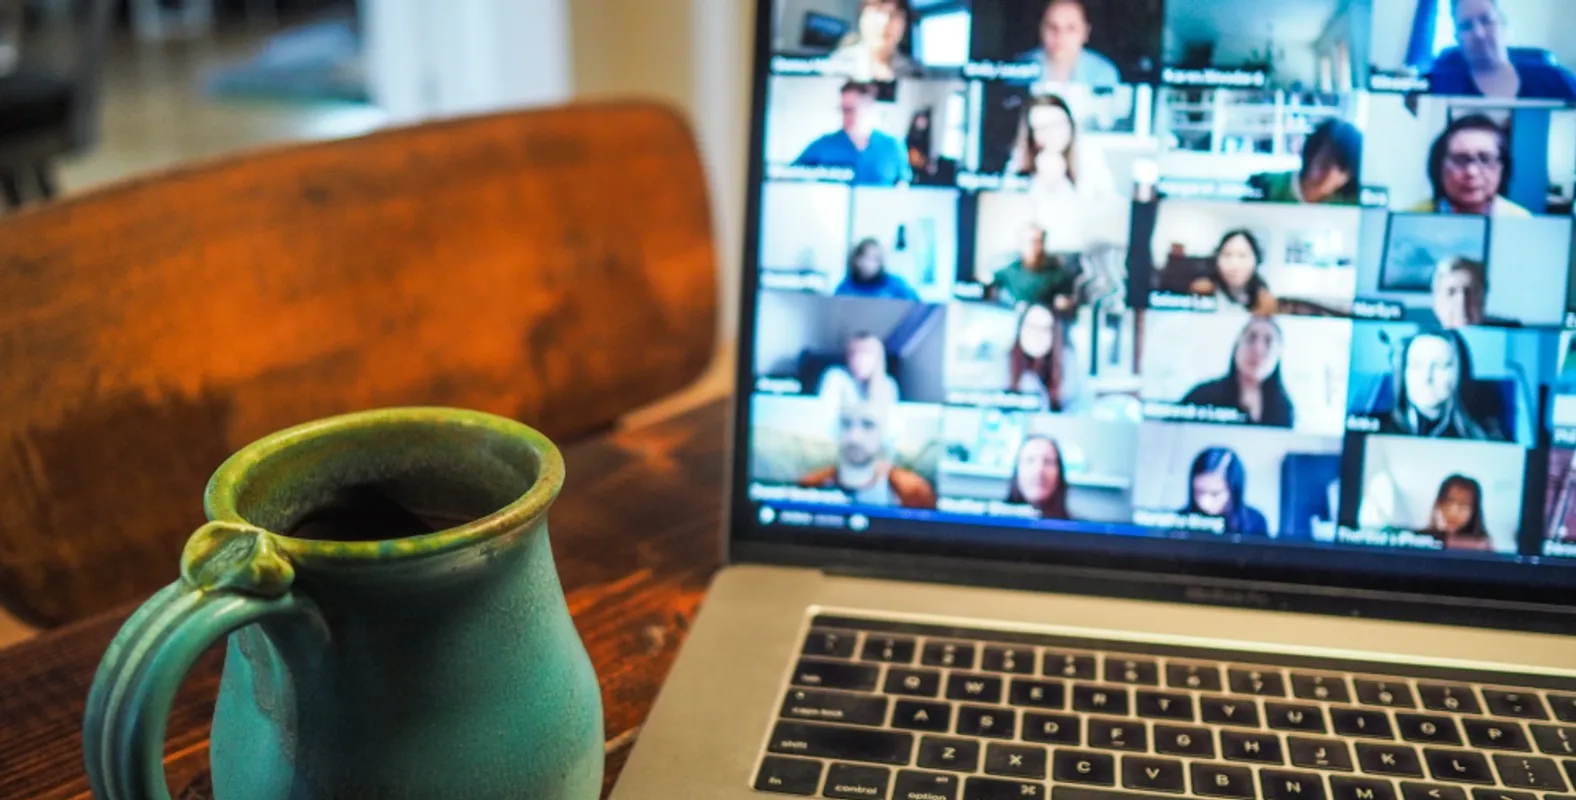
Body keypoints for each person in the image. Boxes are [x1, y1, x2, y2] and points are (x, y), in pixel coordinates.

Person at [1006, 93, 1118, 250]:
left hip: (1083, 249)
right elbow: (1018, 223)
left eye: (1058, 124)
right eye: (1043, 128)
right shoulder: (1019, 163)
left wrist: (1061, 184)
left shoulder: (1090, 155)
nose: (1052, 133)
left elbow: (1106, 214)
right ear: (1032, 133)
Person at [798, 400, 936, 509]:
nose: (854, 437)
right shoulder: (811, 485)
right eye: (846, 424)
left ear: (886, 433)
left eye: (868, 425)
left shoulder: (914, 492)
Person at [1427, 0, 1576, 101]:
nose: (1479, 33)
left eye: (1486, 20)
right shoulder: (1440, 86)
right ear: (1457, 38)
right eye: (1466, 26)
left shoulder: (1553, 79)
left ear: (1503, 25)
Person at [1379, 329, 1507, 441]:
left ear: (1459, 373)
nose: (1426, 377)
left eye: (1440, 366)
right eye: (1416, 366)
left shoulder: (1485, 436)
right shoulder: (1378, 429)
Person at [1180, 317, 1296, 428]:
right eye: (1251, 339)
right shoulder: (1201, 397)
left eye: (1268, 342)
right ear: (1237, 346)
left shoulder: (1284, 408)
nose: (1258, 349)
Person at [793, 81, 912, 186]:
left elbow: (902, 187)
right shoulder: (823, 146)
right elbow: (792, 177)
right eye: (843, 110)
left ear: (868, 107)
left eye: (851, 110)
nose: (846, 116)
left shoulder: (892, 146)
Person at [1410, 115, 1530, 216]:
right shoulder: (1412, 217)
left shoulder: (1520, 220)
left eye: (1485, 159)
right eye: (1460, 160)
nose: (1471, 172)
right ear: (1439, 166)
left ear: (1503, 168)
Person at [1247, 119, 1363, 205]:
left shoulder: (1350, 206)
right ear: (1312, 153)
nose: (1330, 172)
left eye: (1341, 168)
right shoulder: (1267, 187)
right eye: (1326, 160)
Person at [1014, 0, 1120, 88]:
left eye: (1071, 28)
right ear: (1041, 30)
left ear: (1085, 32)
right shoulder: (1018, 69)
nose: (1060, 36)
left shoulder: (1103, 73)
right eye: (1052, 27)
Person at [1180, 447, 1270, 536]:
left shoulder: (1254, 521)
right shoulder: (1180, 520)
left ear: (1233, 491)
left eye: (1215, 493)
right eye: (1198, 492)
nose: (1205, 502)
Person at [826, 0, 922, 82]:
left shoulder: (916, 74)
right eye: (877, 11)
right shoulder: (832, 69)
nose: (885, 22)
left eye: (894, 14)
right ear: (861, 18)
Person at [988, 223, 1079, 309]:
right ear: (1021, 244)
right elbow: (987, 284)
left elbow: (1068, 300)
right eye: (1030, 242)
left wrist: (1064, 303)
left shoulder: (1057, 275)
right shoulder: (1009, 271)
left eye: (1039, 241)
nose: (1035, 247)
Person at [1186, 229, 1277, 315]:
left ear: (1256, 260)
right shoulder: (1203, 288)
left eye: (1242, 256)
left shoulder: (1263, 298)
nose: (1234, 264)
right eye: (1227, 255)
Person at [1430, 256, 1522, 329]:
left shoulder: (1513, 335)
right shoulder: (1422, 342)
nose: (1461, 302)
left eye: (1470, 292)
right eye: (1451, 292)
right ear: (1436, 302)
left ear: (1484, 298)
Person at [1008, 303, 1067, 412]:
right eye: (1032, 326)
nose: (1037, 335)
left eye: (1044, 329)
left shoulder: (1066, 370)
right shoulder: (1004, 366)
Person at [818, 331, 901, 407]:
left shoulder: (888, 385)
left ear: (878, 358)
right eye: (853, 353)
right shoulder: (836, 378)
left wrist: (875, 383)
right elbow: (826, 412)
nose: (858, 359)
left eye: (865, 352)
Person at [1419, 474, 1495, 551]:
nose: (1453, 512)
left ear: (1474, 512)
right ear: (1438, 504)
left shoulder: (1483, 548)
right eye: (1447, 502)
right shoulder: (1419, 542)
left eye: (1463, 505)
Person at [1006, 435, 1071, 520]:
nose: (1039, 470)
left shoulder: (1080, 529)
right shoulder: (992, 522)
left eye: (1048, 461)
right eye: (1030, 460)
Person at [835, 239, 919, 300]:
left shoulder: (896, 284)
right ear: (856, 260)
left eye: (875, 259)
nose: (868, 264)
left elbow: (917, 306)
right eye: (865, 257)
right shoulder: (846, 286)